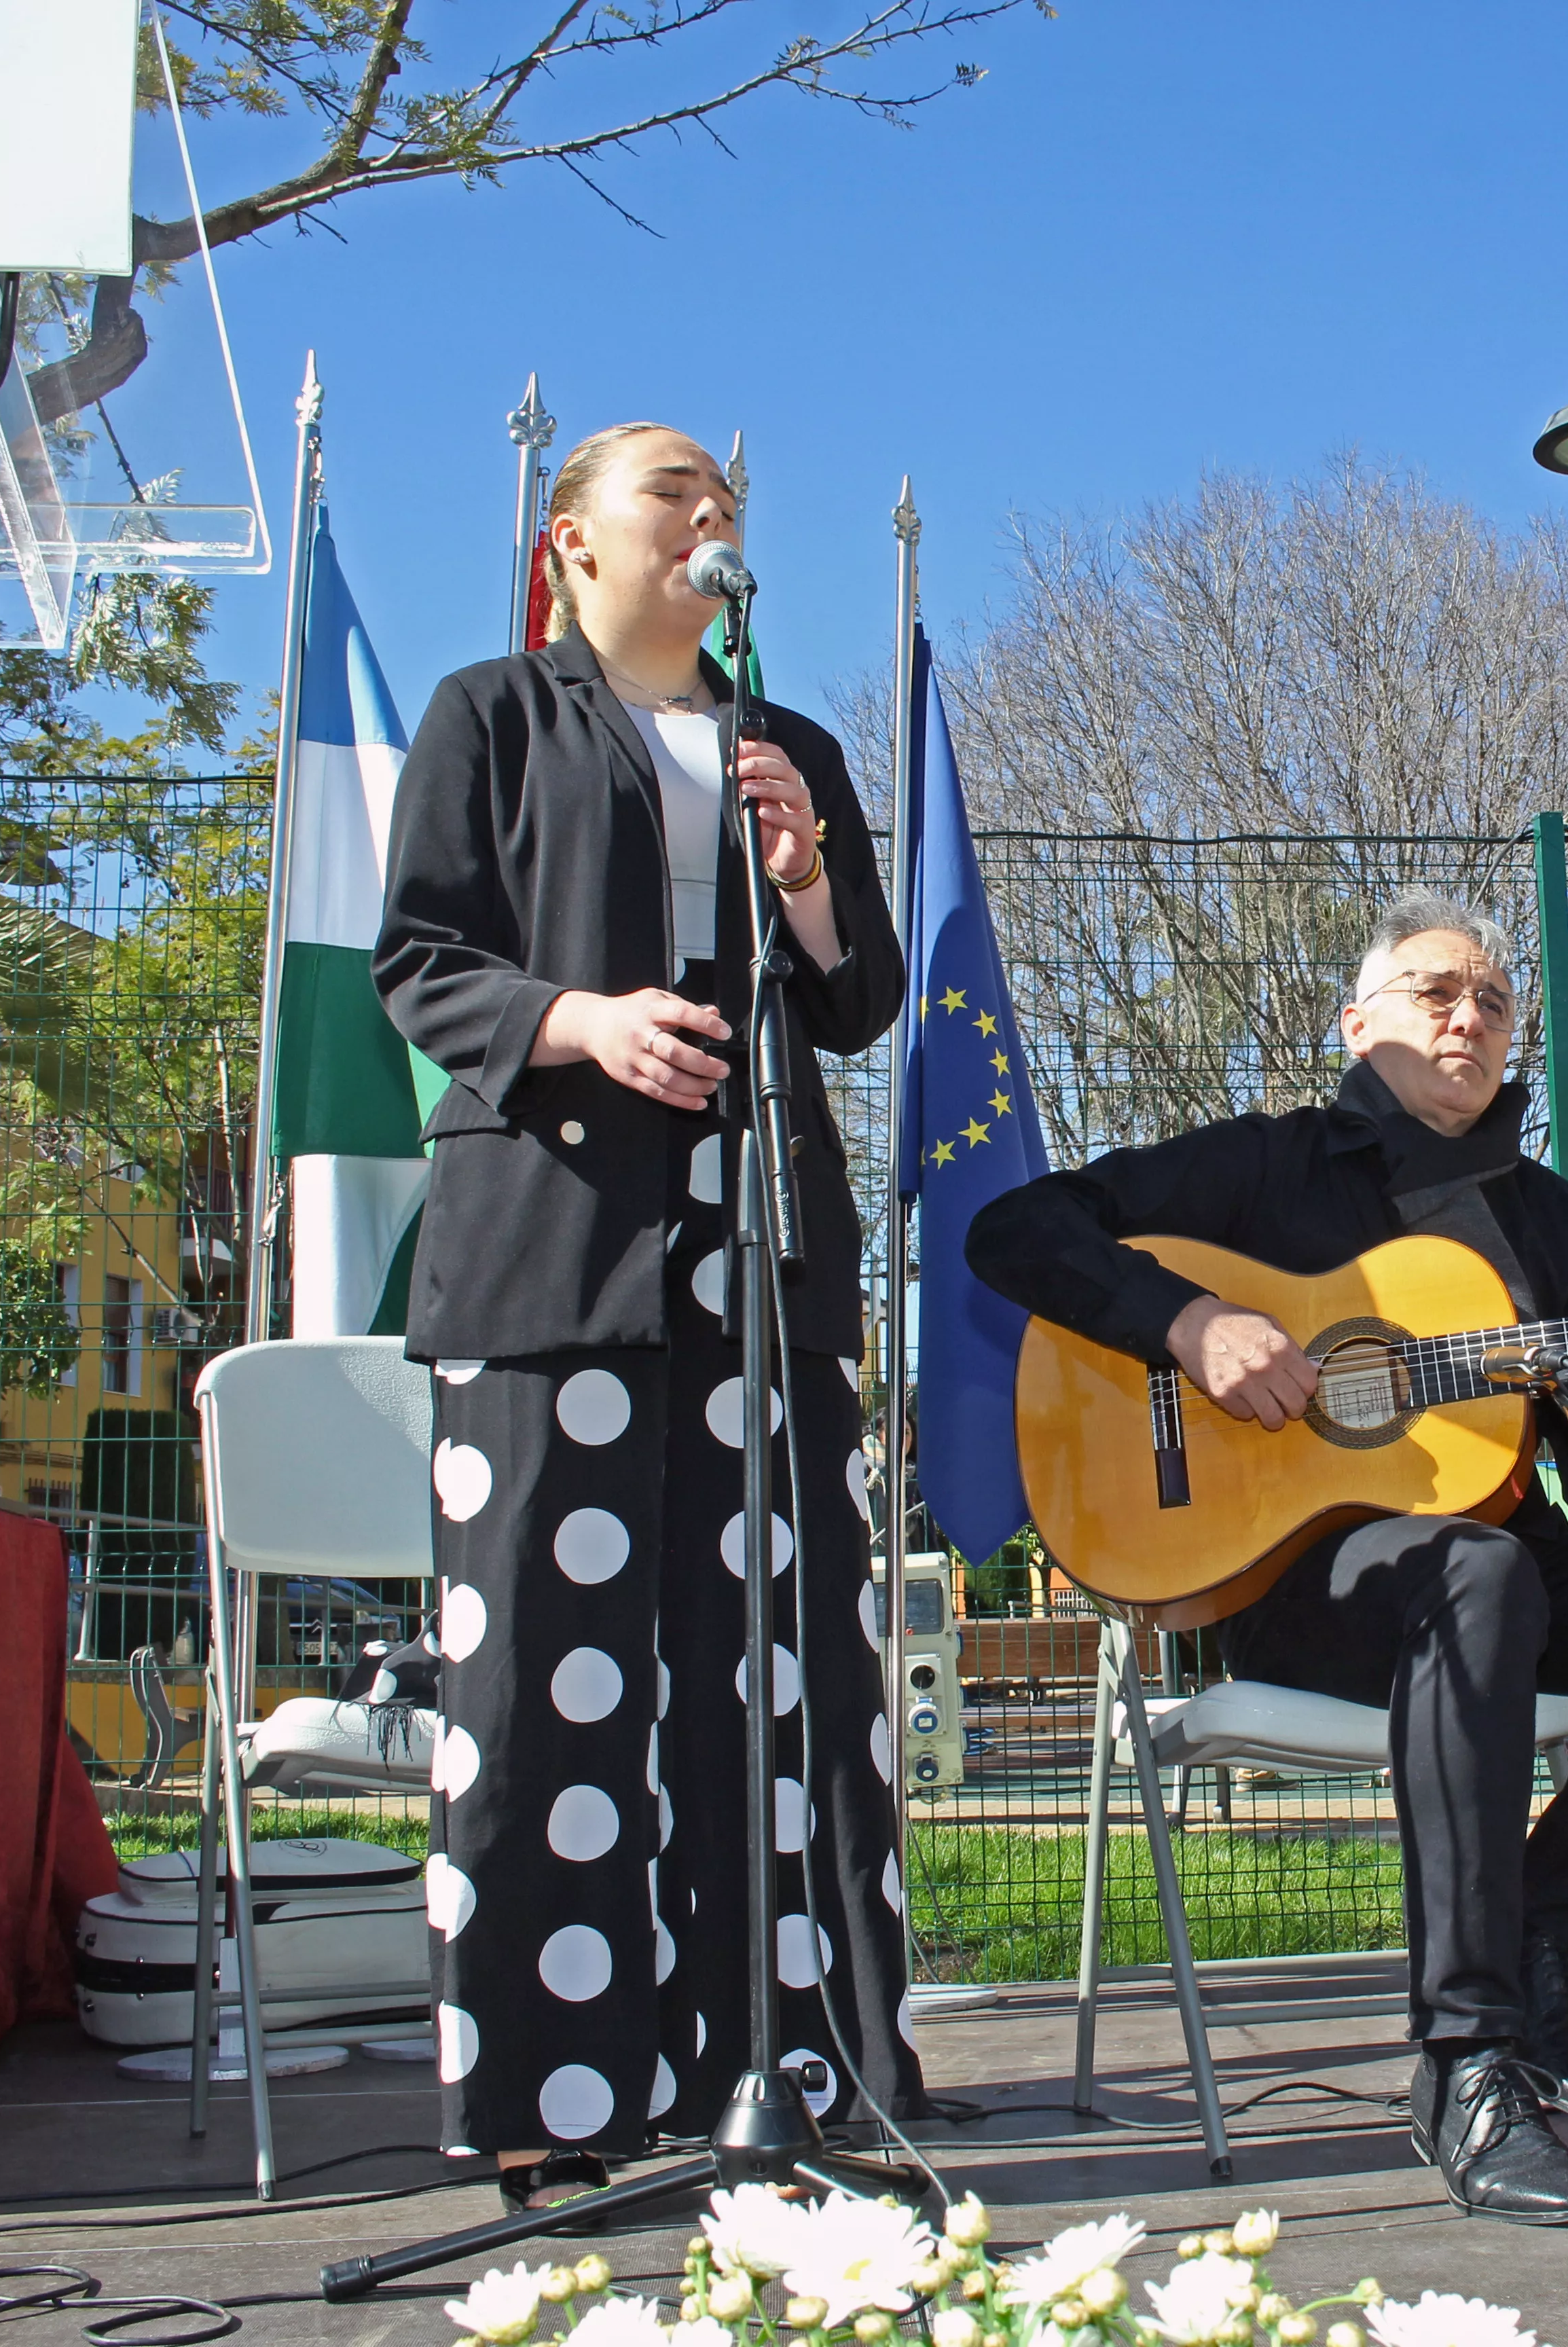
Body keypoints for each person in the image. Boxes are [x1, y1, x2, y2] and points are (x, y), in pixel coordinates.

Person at [968, 893, 1568, 2228]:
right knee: (1479, 1574)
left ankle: (1544, 1930)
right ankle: (1466, 2057)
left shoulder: (1557, 1231)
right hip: (1298, 1588)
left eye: (1490, 999)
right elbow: (1013, 1231)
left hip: (1508, 1585)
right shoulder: (1263, 1167)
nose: (1468, 1016)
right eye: (1435, 991)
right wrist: (1185, 1322)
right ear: (1358, 1023)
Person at [375, 423, 919, 2213]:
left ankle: (792, 2069)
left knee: (782, 1673)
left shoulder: (792, 746)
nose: (711, 514)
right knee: (549, 1665)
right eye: (671, 489)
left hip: (756, 1260)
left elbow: (857, 1002)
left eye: (728, 497)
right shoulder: (492, 715)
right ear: (575, 541)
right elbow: (422, 960)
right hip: (556, 1253)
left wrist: (807, 875)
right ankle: (548, 2086)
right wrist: (583, 1027)